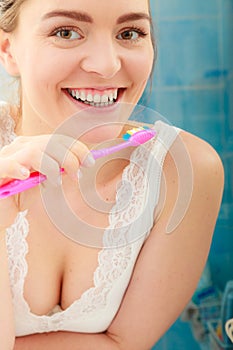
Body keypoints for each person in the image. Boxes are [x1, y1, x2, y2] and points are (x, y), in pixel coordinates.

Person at [0, 0, 224, 349]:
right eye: (66, 32)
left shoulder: (185, 170)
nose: (106, 65)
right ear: (8, 49)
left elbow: (125, 344)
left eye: (129, 32)